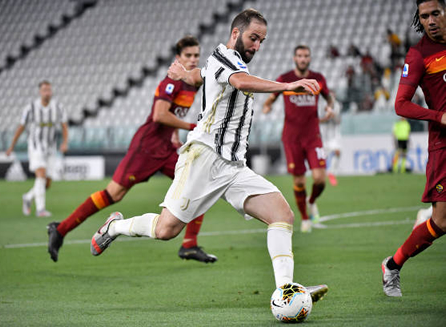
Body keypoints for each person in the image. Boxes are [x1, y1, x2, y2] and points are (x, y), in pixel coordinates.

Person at [89, 9, 328, 302]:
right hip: (204, 157)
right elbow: (239, 82)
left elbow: (200, 76)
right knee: (166, 230)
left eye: (262, 41)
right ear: (236, 33)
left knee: (282, 215)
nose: (257, 46)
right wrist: (287, 86)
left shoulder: (226, 62)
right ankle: (114, 226)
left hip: (234, 166)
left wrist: (184, 74)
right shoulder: (227, 58)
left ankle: (286, 290)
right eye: (254, 38)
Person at [47, 36, 217, 264]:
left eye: (196, 55)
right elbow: (159, 115)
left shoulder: (192, 82)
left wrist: (176, 136)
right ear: (178, 58)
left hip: (166, 149)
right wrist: (192, 127)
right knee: (113, 194)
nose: (194, 59)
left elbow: (175, 114)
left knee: (196, 183)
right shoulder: (172, 82)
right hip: (146, 148)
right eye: (188, 55)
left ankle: (189, 245)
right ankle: (61, 229)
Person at [382, 0, 446, 297]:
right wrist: (438, 116)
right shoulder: (419, 54)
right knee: (441, 222)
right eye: (425, 16)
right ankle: (393, 265)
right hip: (443, 144)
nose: (431, 20)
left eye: (436, 13)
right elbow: (400, 104)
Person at [262, 45, 334, 233]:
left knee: (320, 180)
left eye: (306, 56)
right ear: (294, 58)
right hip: (292, 138)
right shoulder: (285, 79)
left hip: (313, 136)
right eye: (300, 56)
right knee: (299, 182)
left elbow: (329, 98)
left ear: (309, 59)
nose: (302, 59)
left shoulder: (318, 79)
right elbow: (272, 96)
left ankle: (311, 201)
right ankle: (305, 218)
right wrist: (267, 105)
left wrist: (329, 107)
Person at [6, 81, 68, 217]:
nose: (47, 92)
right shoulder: (31, 108)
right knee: (41, 174)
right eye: (45, 90)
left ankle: (28, 197)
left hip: (51, 147)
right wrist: (12, 146)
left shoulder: (58, 107)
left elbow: (64, 125)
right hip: (35, 146)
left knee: (47, 183)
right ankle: (41, 210)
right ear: (40, 92)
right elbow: (21, 127)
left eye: (49, 90)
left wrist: (64, 142)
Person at [320, 90, 342, 186]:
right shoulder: (320, 105)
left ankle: (332, 173)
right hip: (323, 134)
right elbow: (317, 120)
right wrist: (326, 117)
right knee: (323, 157)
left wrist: (333, 115)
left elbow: (338, 121)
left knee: (337, 151)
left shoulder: (337, 106)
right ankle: (321, 174)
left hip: (333, 134)